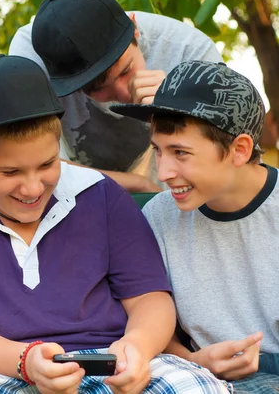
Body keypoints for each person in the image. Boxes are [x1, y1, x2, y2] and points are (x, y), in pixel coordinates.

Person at [0, 55, 230, 393]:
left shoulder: (103, 197)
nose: (31, 188)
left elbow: (150, 300)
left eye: (46, 165)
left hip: (110, 358)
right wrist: (26, 360)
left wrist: (138, 346)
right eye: (10, 172)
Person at [110, 60, 279, 392]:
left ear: (240, 150)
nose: (164, 172)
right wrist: (196, 361)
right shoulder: (157, 217)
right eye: (158, 151)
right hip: (198, 377)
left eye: (181, 153)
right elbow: (150, 322)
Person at [8, 0, 223, 192]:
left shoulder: (189, 51)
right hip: (73, 197)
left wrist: (181, 105)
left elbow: (235, 147)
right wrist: (138, 184)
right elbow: (30, 161)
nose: (122, 92)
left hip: (172, 200)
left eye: (127, 70)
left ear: (135, 27)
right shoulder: (33, 57)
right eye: (96, 89)